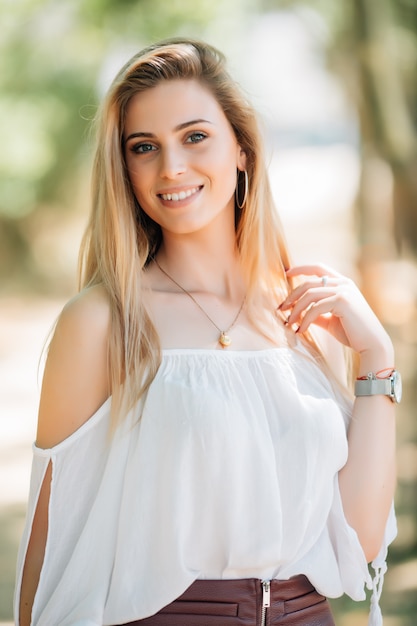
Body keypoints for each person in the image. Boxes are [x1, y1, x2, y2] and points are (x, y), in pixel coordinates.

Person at [15, 38, 398, 626]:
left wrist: (376, 356)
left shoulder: (301, 319)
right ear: (125, 169)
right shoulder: (101, 322)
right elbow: (51, 549)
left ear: (242, 150)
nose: (171, 168)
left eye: (195, 136)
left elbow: (360, 541)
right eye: (145, 147)